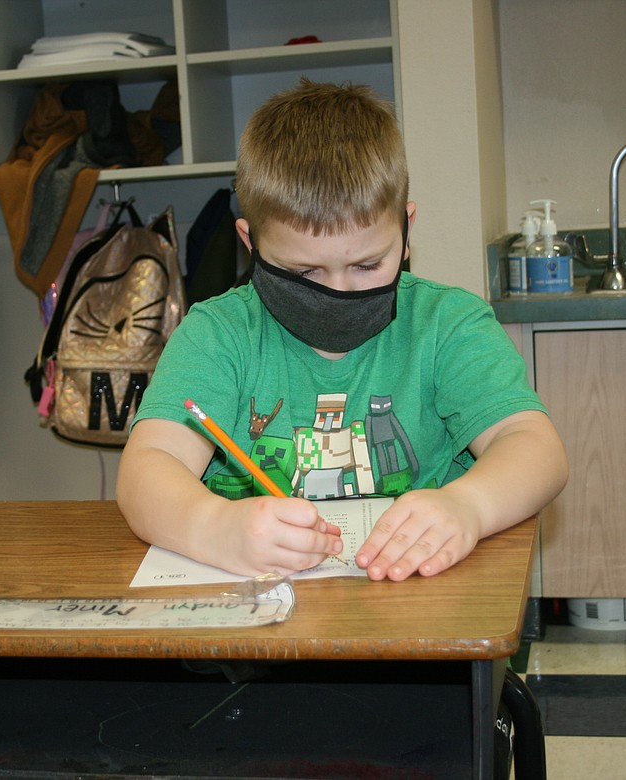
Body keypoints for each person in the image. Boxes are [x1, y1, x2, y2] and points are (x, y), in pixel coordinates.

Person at [116, 78, 567, 581]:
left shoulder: (447, 324)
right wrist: (213, 526)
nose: (340, 292)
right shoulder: (219, 334)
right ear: (250, 242)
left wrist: (470, 506)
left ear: (407, 230)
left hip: (422, 614)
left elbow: (533, 444)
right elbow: (147, 467)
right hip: (256, 628)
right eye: (304, 273)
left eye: (368, 265)